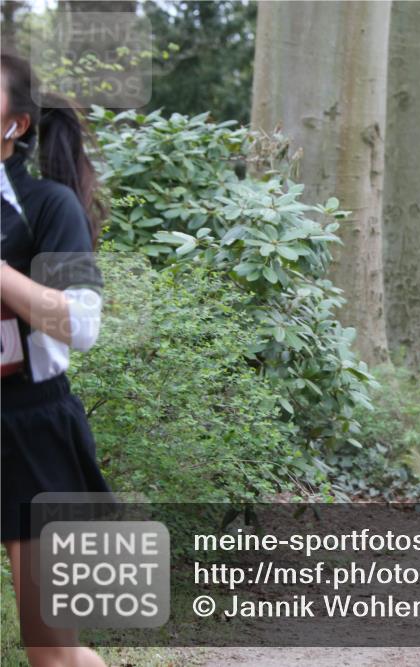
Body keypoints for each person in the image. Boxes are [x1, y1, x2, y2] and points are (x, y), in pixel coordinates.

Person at [1, 52, 109, 667]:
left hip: (28, 429)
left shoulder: (46, 207)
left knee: (53, 652)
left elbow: (82, 325)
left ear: (14, 125)